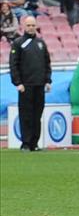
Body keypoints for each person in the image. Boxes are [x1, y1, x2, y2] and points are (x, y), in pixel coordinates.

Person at [8, 16, 51, 151]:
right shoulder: (18, 43)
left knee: (37, 115)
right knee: (26, 115)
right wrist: (18, 83)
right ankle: (25, 143)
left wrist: (48, 80)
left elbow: (47, 63)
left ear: (36, 26)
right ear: (24, 26)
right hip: (25, 86)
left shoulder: (41, 43)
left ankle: (34, 143)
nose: (31, 27)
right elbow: (13, 64)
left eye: (33, 25)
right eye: (28, 25)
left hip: (39, 85)